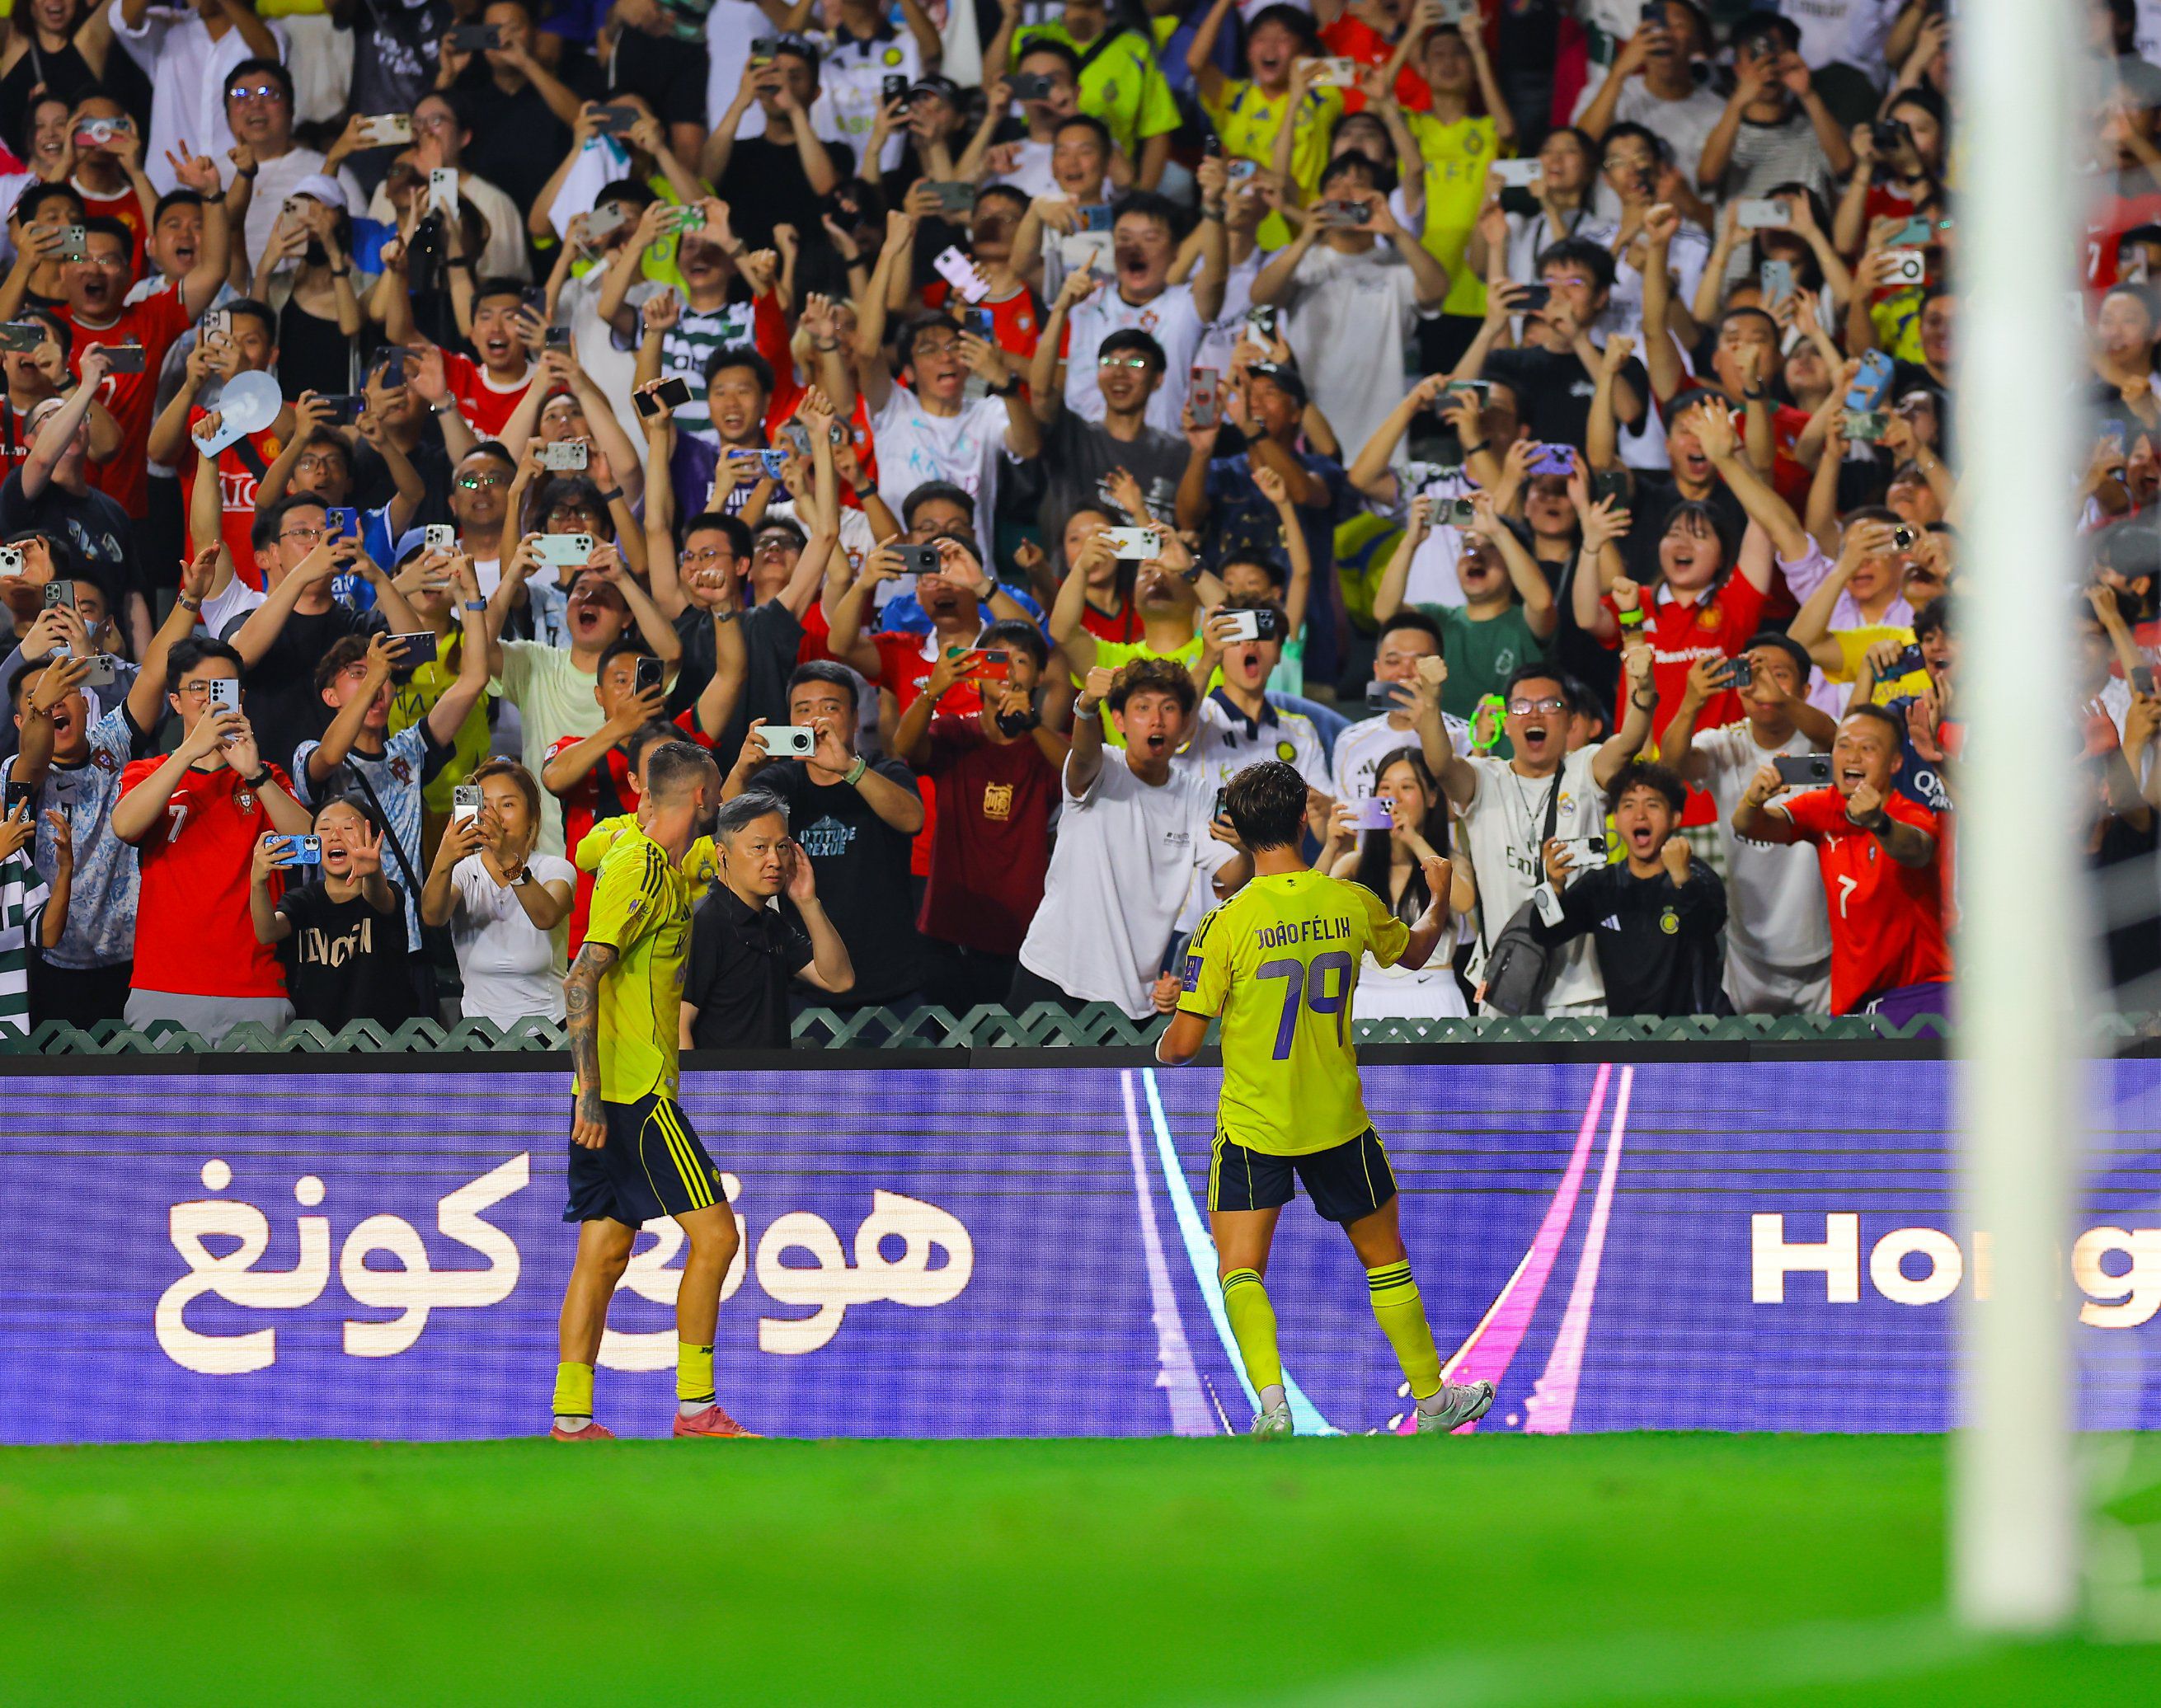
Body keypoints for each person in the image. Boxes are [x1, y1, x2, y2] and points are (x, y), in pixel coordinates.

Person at [1155, 758, 1494, 1438]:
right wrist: (1435, 897)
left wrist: (1168, 1024)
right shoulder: (1348, 901)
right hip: (1337, 1119)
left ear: (1238, 830)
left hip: (1255, 1123)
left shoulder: (1225, 923)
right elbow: (1415, 952)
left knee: (1240, 1269)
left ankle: (1272, 1407)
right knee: (1385, 1259)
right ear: (1301, 823)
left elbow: (1182, 1047)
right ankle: (1432, 1403)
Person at [552, 739, 751, 1442]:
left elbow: (590, 848)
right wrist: (590, 1092)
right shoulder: (638, 867)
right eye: (716, 789)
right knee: (717, 1238)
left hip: (610, 1092)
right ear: (699, 797)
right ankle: (696, 1408)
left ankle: (572, 1416)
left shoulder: (638, 847)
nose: (719, 799)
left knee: (604, 1252)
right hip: (632, 1094)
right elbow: (581, 977)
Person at [110, 633, 315, 1037]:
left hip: (255, 986)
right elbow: (125, 826)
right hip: (164, 985)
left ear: (242, 699)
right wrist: (190, 751)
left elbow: (310, 846)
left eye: (223, 688)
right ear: (175, 701)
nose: (210, 699)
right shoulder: (148, 772)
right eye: (198, 688)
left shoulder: (268, 777)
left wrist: (254, 774)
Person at [1012, 658, 1234, 1017]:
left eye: (1169, 708)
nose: (1157, 719)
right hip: (1052, 975)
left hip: (1134, 1000)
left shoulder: (1196, 795)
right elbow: (1083, 756)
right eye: (1142, 708)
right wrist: (1086, 707)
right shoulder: (1102, 767)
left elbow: (1231, 875)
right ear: (1119, 721)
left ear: (1184, 725)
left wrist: (1246, 848)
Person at [720, 660, 926, 1013]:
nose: (816, 719)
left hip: (892, 985)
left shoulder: (882, 771)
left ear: (855, 718)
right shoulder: (781, 781)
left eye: (830, 707)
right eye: (803, 709)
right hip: (808, 985)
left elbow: (912, 820)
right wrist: (741, 771)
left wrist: (849, 768)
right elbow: (725, 827)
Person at [1731, 703, 1952, 1026]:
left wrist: (1878, 823)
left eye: (1868, 748)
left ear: (1895, 763)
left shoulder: (1911, 814)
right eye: (1844, 746)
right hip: (1853, 1004)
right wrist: (1754, 799)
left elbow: (1916, 850)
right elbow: (1748, 826)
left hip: (1919, 993)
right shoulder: (1825, 807)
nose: (1853, 757)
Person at [1659, 636, 1836, 1015]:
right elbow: (1670, 768)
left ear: (1806, 690)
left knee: (1827, 1054)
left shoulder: (1821, 741)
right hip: (1749, 955)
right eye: (1754, 675)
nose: (1764, 685)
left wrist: (1783, 701)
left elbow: (1837, 739)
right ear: (1738, 688)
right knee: (1751, 1054)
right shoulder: (1725, 743)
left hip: (1826, 949)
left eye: (1779, 674)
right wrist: (1691, 702)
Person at [1529, 762, 1728, 1017]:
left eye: (1652, 805)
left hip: (1695, 1033)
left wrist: (1682, 879)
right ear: (1615, 818)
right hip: (1626, 1035)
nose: (1640, 815)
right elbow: (1545, 934)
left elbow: (1707, 925)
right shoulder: (1602, 885)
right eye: (1628, 805)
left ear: (1675, 818)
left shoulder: (1697, 876)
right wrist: (1553, 889)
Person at [680, 788, 855, 1049]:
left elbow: (839, 980)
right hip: (722, 1077)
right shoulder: (705, 922)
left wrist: (808, 902)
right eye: (760, 848)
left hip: (773, 1075)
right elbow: (678, 1025)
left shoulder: (770, 923)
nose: (775, 860)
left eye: (782, 847)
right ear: (722, 854)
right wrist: (696, 1079)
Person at [421, 758, 575, 1028]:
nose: (494, 815)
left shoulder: (554, 868)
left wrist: (505, 857)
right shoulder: (464, 871)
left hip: (549, 1030)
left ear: (532, 817)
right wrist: (443, 859)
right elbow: (433, 915)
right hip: (477, 1031)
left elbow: (546, 916)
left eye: (508, 805)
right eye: (485, 805)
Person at [247, 794, 415, 1029]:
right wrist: (257, 884)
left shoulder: (387, 893)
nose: (335, 836)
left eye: (348, 828)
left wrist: (373, 873)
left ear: (373, 839)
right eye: (325, 829)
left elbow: (379, 897)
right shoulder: (303, 900)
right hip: (315, 1041)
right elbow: (267, 932)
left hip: (381, 1041)